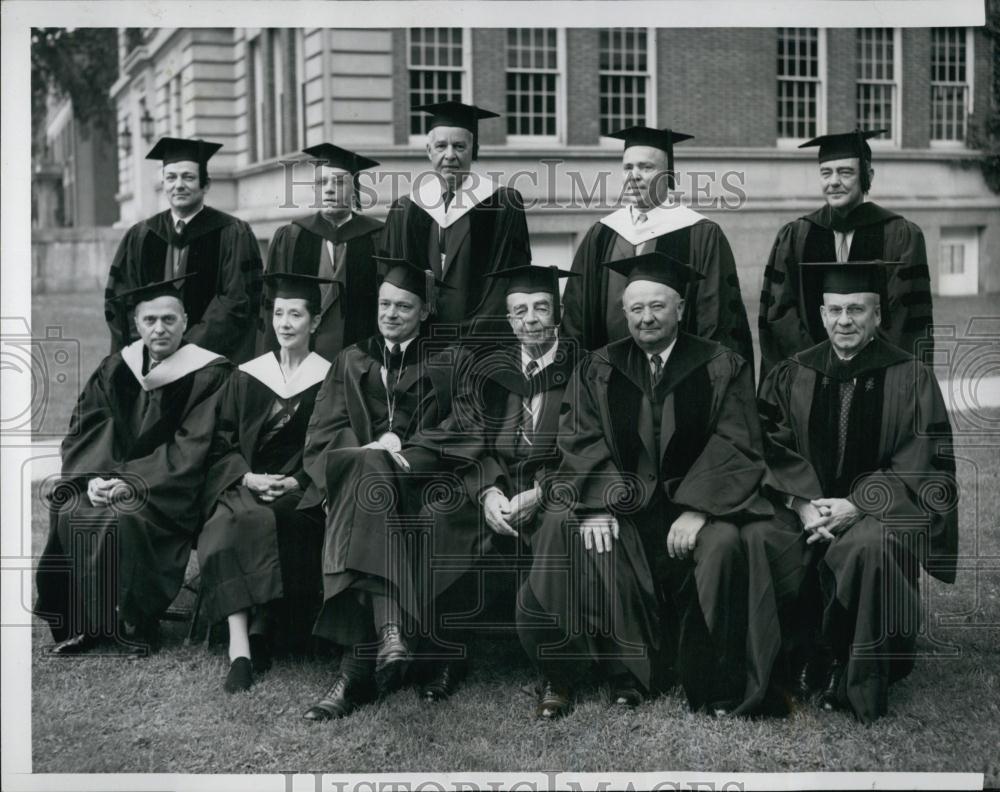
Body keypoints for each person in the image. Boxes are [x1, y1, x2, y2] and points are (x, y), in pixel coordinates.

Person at [518, 252, 773, 720]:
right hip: (625, 505)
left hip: (697, 508)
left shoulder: (722, 365)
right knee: (582, 534)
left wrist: (699, 509)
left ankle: (714, 680)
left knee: (724, 546)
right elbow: (580, 438)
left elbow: (737, 442)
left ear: (680, 308)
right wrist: (597, 501)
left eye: (657, 306)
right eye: (635, 309)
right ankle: (617, 676)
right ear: (624, 313)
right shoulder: (600, 367)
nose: (646, 318)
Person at [756, 260, 958, 724]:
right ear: (822, 315)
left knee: (869, 546)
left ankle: (851, 671)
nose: (844, 321)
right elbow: (767, 447)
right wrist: (804, 504)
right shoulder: (792, 374)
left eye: (856, 310)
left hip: (875, 513)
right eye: (835, 310)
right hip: (804, 511)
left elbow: (925, 467)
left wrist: (859, 504)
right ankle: (781, 662)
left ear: (878, 316)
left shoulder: (911, 377)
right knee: (757, 540)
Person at [299, 257, 477, 720]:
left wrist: (404, 450)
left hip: (426, 481)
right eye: (384, 304)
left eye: (403, 305)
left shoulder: (450, 357)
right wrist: (369, 455)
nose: (391, 314)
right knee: (367, 474)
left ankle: (352, 671)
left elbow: (465, 427)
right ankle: (390, 631)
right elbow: (324, 431)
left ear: (424, 311)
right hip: (364, 483)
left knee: (367, 491)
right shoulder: (353, 358)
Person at [35, 277, 232, 654]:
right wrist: (93, 478)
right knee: (73, 505)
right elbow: (88, 426)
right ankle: (85, 623)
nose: (160, 328)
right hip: (110, 478)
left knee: (122, 516)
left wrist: (132, 481)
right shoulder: (116, 368)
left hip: (168, 489)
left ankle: (135, 621)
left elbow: (195, 445)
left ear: (186, 321)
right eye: (150, 320)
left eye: (169, 320)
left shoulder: (210, 374)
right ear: (136, 324)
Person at [418, 263, 582, 702]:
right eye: (520, 311)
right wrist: (488, 490)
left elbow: (590, 444)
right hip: (497, 483)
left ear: (557, 313)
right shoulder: (490, 369)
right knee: (441, 513)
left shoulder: (586, 368)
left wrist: (542, 491)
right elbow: (470, 437)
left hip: (554, 486)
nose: (530, 319)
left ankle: (555, 670)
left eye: (541, 308)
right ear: (509, 320)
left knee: (559, 525)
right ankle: (447, 655)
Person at [198, 273, 333, 693]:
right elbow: (221, 439)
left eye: (296, 314)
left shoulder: (330, 377)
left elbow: (334, 440)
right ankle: (240, 647)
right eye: (278, 313)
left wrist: (296, 481)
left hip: (302, 489)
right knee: (230, 525)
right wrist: (247, 476)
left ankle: (266, 624)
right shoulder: (247, 375)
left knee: (285, 523)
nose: (285, 323)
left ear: (314, 321)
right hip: (247, 480)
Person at [559, 125, 753, 367]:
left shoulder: (700, 233)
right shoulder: (602, 234)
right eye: (628, 167)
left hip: (681, 379)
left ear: (667, 176)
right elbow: (576, 315)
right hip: (607, 380)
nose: (634, 175)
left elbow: (716, 317)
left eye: (646, 167)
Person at [757, 128, 935, 382]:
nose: (834, 182)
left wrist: (858, 369)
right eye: (826, 173)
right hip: (809, 379)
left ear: (868, 176)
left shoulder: (901, 235)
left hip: (877, 381)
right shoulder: (796, 235)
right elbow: (780, 313)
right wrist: (816, 366)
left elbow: (903, 316)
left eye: (845, 172)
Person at [104, 137, 264, 363]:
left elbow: (236, 300)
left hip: (210, 363)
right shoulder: (140, 235)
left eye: (188, 177)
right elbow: (121, 300)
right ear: (163, 184)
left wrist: (185, 350)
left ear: (205, 184)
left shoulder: (233, 233)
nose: (178, 185)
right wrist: (149, 346)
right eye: (171, 177)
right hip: (149, 361)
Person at [382, 101, 532, 338]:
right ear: (429, 150)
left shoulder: (503, 202)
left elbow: (508, 277)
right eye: (441, 146)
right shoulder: (406, 208)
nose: (449, 155)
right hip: (419, 340)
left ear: (474, 150)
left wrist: (474, 335)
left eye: (459, 146)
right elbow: (393, 281)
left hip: (481, 342)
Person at [258, 143, 383, 361]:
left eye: (339, 182)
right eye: (321, 182)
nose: (329, 189)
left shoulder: (377, 237)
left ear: (355, 189)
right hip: (301, 361)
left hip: (360, 365)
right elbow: (271, 303)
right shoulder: (291, 237)